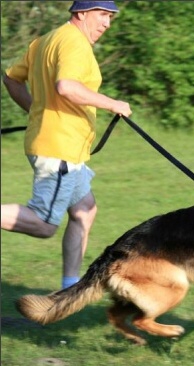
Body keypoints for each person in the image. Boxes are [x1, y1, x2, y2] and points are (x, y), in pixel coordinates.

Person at [1, 1, 132, 290]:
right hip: (59, 149)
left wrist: (37, 111)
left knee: (85, 209)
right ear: (81, 13)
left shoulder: (47, 40)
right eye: (102, 15)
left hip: (56, 144)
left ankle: (70, 287)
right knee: (44, 223)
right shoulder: (75, 43)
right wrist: (113, 104)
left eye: (110, 17)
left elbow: (10, 78)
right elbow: (67, 87)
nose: (106, 23)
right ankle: (70, 287)